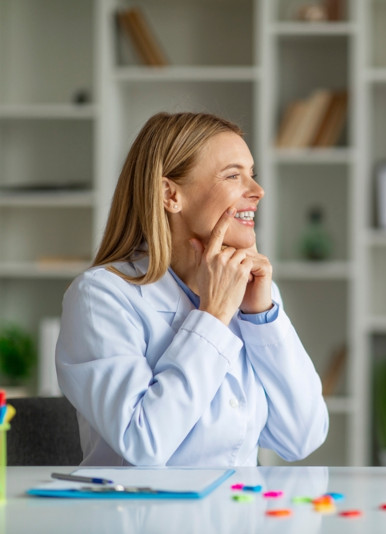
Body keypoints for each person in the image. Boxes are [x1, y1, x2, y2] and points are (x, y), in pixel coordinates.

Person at [56, 111, 329, 466]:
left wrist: (262, 317)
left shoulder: (250, 294)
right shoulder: (100, 298)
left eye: (252, 175)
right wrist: (213, 317)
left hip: (237, 518)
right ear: (171, 195)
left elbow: (302, 438)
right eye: (234, 175)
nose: (257, 191)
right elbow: (144, 444)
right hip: (140, 518)